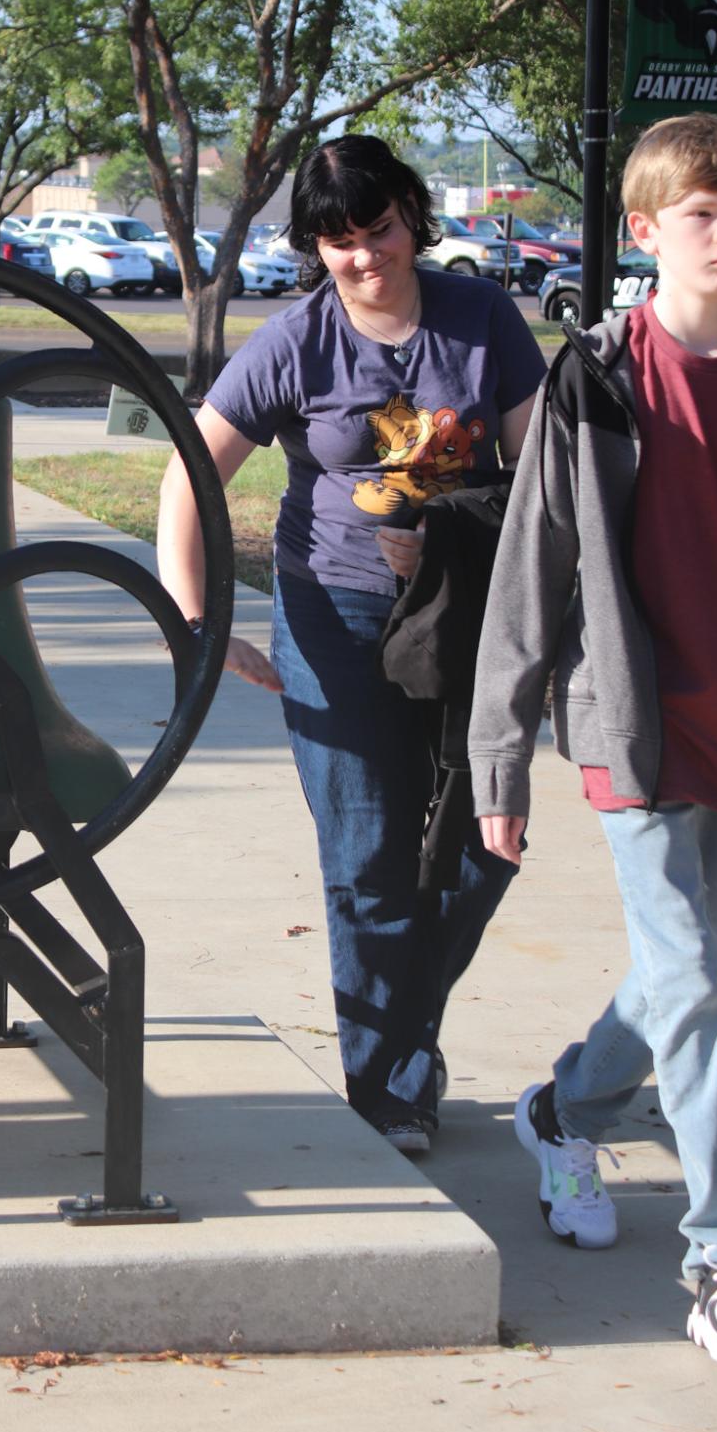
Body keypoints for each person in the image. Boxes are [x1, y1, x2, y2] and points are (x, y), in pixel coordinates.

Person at [158, 134, 546, 1150]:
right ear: (314, 248)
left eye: (375, 231)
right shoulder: (295, 341)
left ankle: (402, 1033)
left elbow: (546, 472)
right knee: (368, 855)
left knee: (478, 843)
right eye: (337, 240)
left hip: (462, 615)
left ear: (410, 218)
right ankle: (388, 1085)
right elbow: (187, 476)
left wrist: (476, 554)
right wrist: (198, 623)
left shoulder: (479, 317)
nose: (362, 257)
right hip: (332, 618)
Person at [469, 112, 717, 1368]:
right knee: (696, 989)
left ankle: (562, 1105)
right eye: (700, 214)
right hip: (632, 732)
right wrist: (499, 761)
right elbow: (527, 574)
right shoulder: (595, 378)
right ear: (643, 232)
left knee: (676, 975)